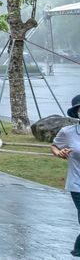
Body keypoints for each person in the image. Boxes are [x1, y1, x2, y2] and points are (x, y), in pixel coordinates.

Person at [51, 93, 80, 257]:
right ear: (77, 113)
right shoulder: (68, 132)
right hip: (78, 184)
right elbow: (54, 146)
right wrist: (59, 152)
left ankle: (78, 248)